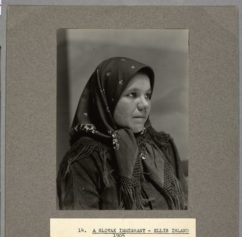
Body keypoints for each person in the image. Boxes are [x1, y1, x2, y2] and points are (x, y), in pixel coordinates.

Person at [57, 57, 187, 210]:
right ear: (107, 99)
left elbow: (186, 210)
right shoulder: (84, 160)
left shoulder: (163, 145)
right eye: (132, 94)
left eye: (148, 95)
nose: (144, 104)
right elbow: (81, 230)